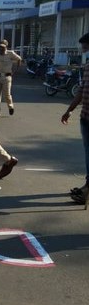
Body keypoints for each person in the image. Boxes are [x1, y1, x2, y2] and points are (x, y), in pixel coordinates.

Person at [61, 32, 89, 205]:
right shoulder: (87, 67)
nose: (84, 51)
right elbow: (81, 91)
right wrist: (69, 110)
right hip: (85, 116)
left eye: (86, 48)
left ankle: (87, 190)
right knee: (88, 153)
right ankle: (87, 185)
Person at [0, 39, 22, 119]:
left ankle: (10, 106)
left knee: (7, 94)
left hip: (7, 77)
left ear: (6, 47)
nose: (1, 49)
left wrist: (15, 71)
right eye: (0, 47)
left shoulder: (10, 53)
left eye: (3, 47)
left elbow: (19, 59)